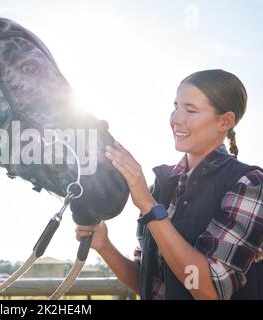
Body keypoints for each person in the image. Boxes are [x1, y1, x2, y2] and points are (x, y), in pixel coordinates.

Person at [76, 69, 263, 300]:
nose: (176, 119)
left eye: (190, 110)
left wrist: (147, 205)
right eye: (176, 107)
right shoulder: (163, 186)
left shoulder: (249, 183)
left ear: (225, 121)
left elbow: (209, 290)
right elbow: (150, 285)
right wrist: (104, 246)